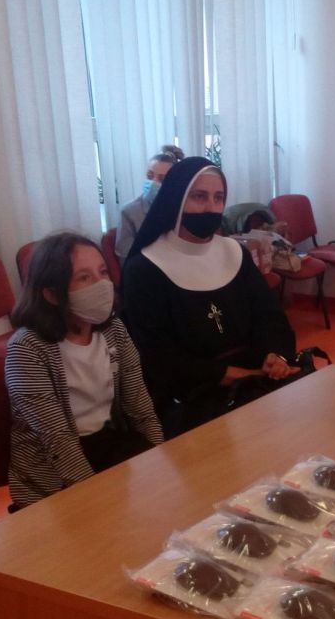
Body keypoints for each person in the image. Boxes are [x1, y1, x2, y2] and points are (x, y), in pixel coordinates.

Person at [120, 156, 298, 435]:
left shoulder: (234, 252)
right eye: (199, 197)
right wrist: (237, 376)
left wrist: (275, 355)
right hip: (193, 394)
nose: (211, 208)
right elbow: (158, 355)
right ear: (176, 199)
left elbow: (269, 316)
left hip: (257, 376)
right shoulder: (145, 268)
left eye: (219, 198)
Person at [5, 231, 163, 507]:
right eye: (84, 278)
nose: (102, 285)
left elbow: (141, 408)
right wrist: (96, 499)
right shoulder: (27, 349)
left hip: (109, 445)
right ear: (52, 294)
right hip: (55, 471)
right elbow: (57, 440)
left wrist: (162, 460)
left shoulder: (114, 330)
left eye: (103, 272)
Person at [115, 145, 184, 262]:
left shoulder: (182, 209)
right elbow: (125, 255)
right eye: (150, 176)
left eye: (162, 179)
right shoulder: (129, 212)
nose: (153, 182)